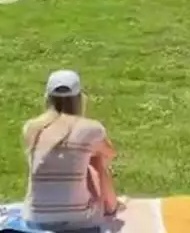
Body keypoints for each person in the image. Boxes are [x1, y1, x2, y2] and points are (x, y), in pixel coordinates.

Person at [22, 70, 119, 229]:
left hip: (35, 217)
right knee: (96, 159)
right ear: (80, 99)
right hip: (80, 220)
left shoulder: (32, 128)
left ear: (47, 98)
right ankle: (111, 205)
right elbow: (110, 153)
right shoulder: (91, 128)